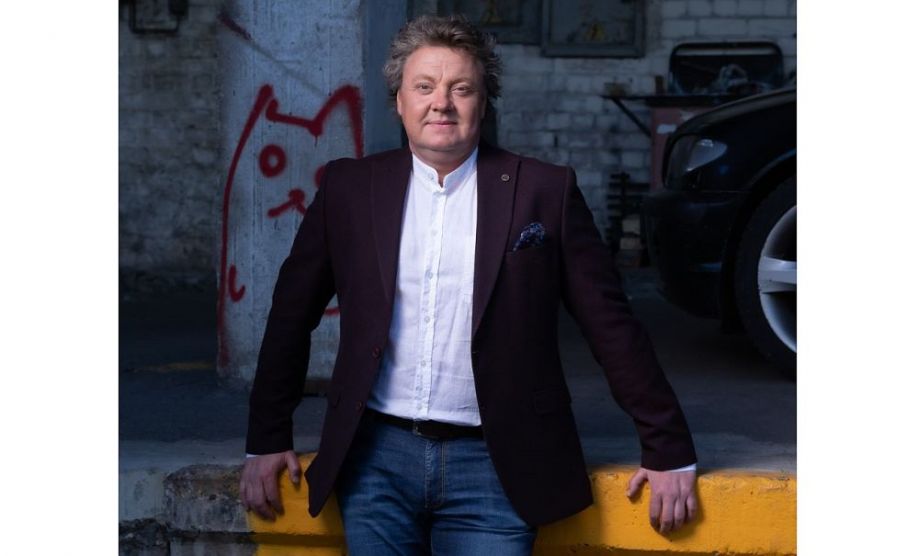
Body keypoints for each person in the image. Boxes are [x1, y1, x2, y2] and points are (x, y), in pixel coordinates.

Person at [240, 14, 698, 554]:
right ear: (399, 102)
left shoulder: (543, 191)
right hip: (376, 460)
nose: (442, 103)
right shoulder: (349, 188)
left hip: (496, 465)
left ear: (484, 102)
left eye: (461, 88)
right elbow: (292, 313)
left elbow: (610, 325)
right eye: (424, 87)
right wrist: (267, 437)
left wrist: (668, 446)